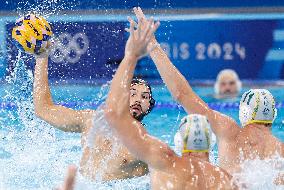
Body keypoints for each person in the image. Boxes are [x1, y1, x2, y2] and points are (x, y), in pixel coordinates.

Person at [132, 7, 284, 180]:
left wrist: (152, 45)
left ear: (244, 112)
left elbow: (182, 94)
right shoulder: (281, 152)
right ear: (273, 115)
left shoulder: (230, 131)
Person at [104, 14, 236, 189]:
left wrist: (131, 56)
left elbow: (113, 114)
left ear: (179, 141)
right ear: (211, 142)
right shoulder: (227, 180)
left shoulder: (165, 162)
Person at [32, 15, 157, 181]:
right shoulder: (91, 120)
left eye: (145, 97)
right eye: (132, 93)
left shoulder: (146, 148)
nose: (138, 100)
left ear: (149, 106)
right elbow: (44, 109)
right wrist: (42, 56)